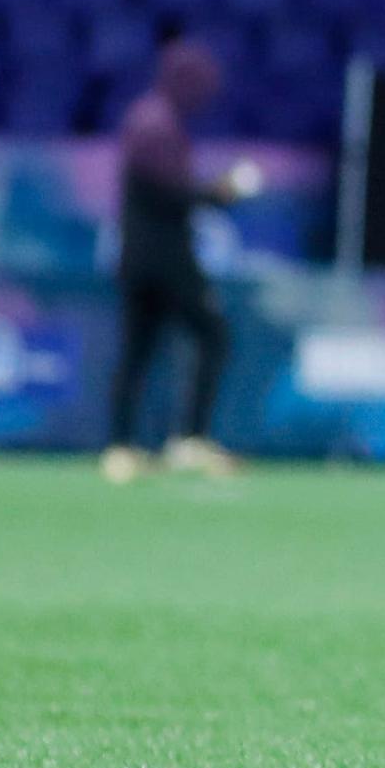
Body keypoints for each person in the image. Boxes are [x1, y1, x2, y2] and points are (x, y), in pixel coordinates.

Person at [100, 36, 255, 482]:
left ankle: (121, 448)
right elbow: (171, 193)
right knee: (211, 333)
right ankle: (187, 439)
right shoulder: (156, 124)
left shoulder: (150, 119)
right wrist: (220, 192)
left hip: (136, 254)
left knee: (138, 350)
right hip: (165, 257)